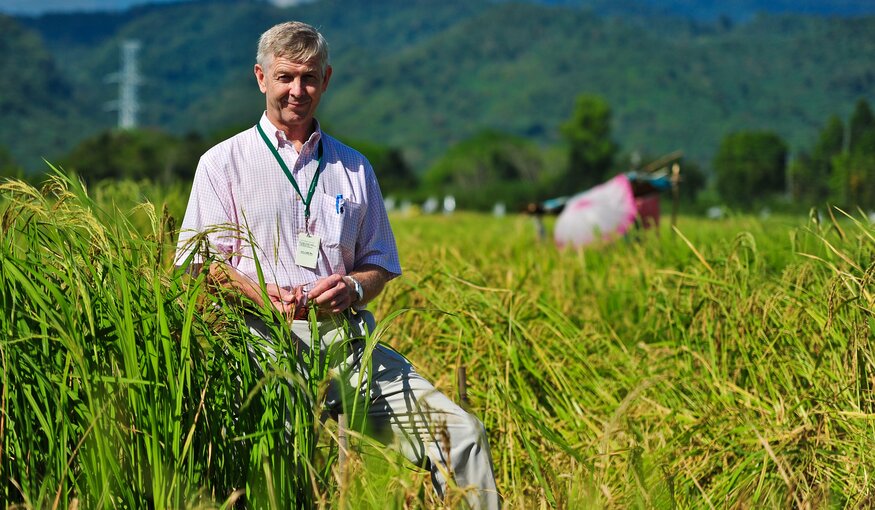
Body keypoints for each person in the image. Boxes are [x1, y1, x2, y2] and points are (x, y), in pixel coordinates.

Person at [174, 21, 499, 508]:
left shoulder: (353, 167)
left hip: (348, 344)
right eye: (285, 77)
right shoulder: (224, 164)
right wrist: (262, 294)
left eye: (309, 78)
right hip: (258, 343)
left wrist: (352, 287)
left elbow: (380, 264)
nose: (297, 90)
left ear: (326, 80)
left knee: (463, 437)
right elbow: (202, 265)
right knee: (278, 479)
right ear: (261, 78)